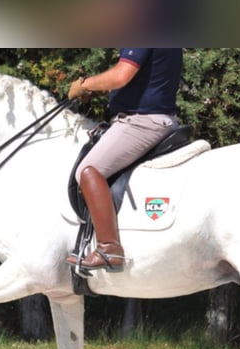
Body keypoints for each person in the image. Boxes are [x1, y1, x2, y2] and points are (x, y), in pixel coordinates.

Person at [66, 48, 183, 272]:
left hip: (142, 123)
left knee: (88, 170)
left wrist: (86, 84)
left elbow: (121, 75)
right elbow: (146, 79)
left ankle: (108, 248)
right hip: (155, 118)